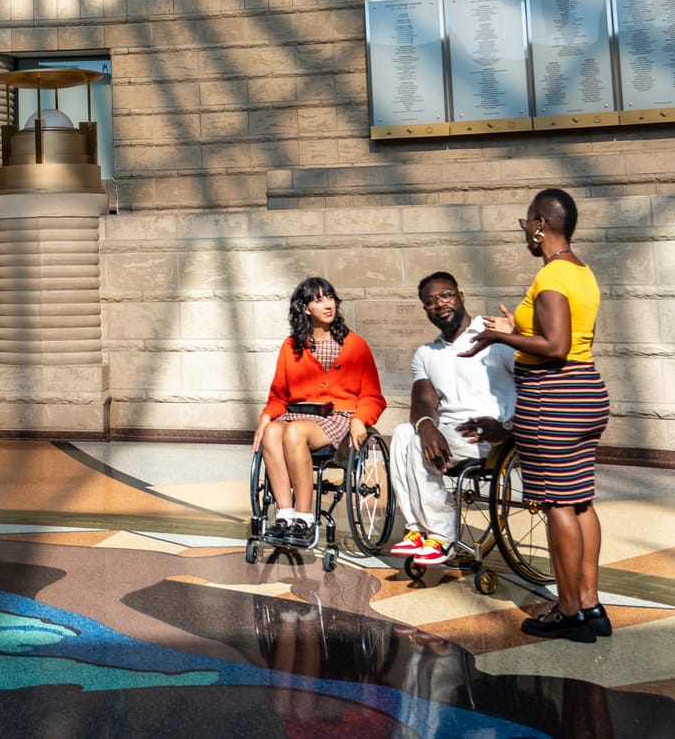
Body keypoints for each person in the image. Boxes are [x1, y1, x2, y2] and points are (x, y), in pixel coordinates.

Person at [463, 188, 611, 642]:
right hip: (585, 392)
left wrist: (500, 338)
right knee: (580, 501)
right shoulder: (581, 272)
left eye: (527, 222)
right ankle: (590, 604)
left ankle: (568, 612)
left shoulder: (550, 276)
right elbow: (565, 336)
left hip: (552, 397)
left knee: (556, 503)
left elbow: (556, 345)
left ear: (541, 224)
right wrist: (516, 328)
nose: (525, 230)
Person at [387, 271, 516, 568]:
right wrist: (426, 426)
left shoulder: (495, 336)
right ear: (425, 309)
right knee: (404, 434)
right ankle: (418, 529)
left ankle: (442, 536)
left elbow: (533, 380)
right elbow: (423, 400)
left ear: (461, 296)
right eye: (430, 301)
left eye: (445, 295)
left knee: (417, 444)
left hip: (491, 435)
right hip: (451, 433)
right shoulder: (426, 353)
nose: (439, 304)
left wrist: (507, 426)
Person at [251, 276, 386, 546]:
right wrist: (266, 417)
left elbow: (372, 395)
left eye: (330, 297)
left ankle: (304, 517)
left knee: (293, 432)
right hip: (298, 413)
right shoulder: (291, 347)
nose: (327, 305)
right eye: (318, 300)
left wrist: (360, 420)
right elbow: (279, 396)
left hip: (338, 416)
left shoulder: (355, 345)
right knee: (273, 432)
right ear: (305, 308)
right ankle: (285, 514)